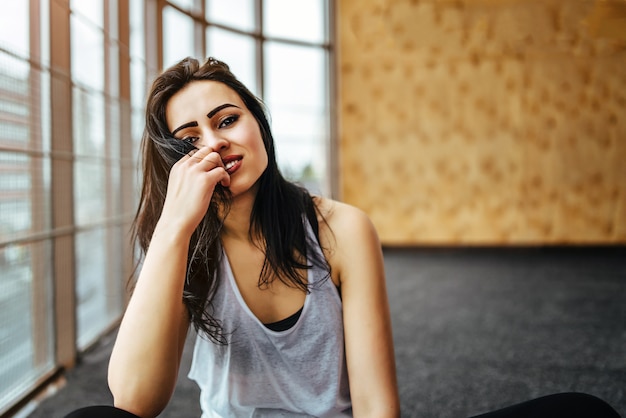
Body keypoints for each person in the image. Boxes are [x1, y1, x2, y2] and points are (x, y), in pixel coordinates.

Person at [64, 57, 621, 418]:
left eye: (227, 120)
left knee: (581, 412)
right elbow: (133, 401)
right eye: (189, 138)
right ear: (174, 162)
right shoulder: (179, 245)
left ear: (258, 124)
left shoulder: (341, 229)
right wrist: (173, 228)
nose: (214, 143)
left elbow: (379, 405)